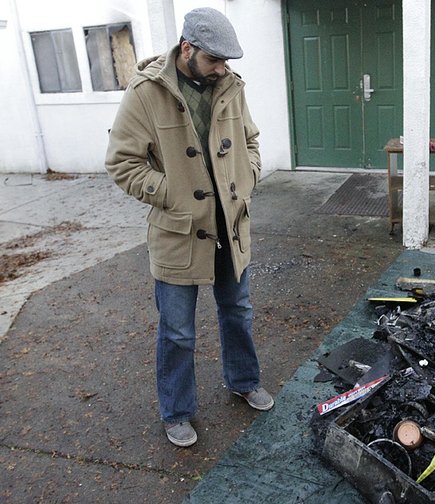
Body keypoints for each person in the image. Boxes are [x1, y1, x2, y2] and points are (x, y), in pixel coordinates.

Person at [106, 7, 272, 448]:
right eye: (215, 59)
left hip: (231, 229)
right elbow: (122, 163)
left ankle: (243, 380)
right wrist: (170, 191)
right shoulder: (145, 92)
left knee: (238, 311)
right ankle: (177, 411)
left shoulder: (231, 86)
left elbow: (251, 141)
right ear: (187, 49)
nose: (223, 68)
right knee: (177, 330)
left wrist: (249, 175)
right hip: (178, 233)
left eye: (227, 60)